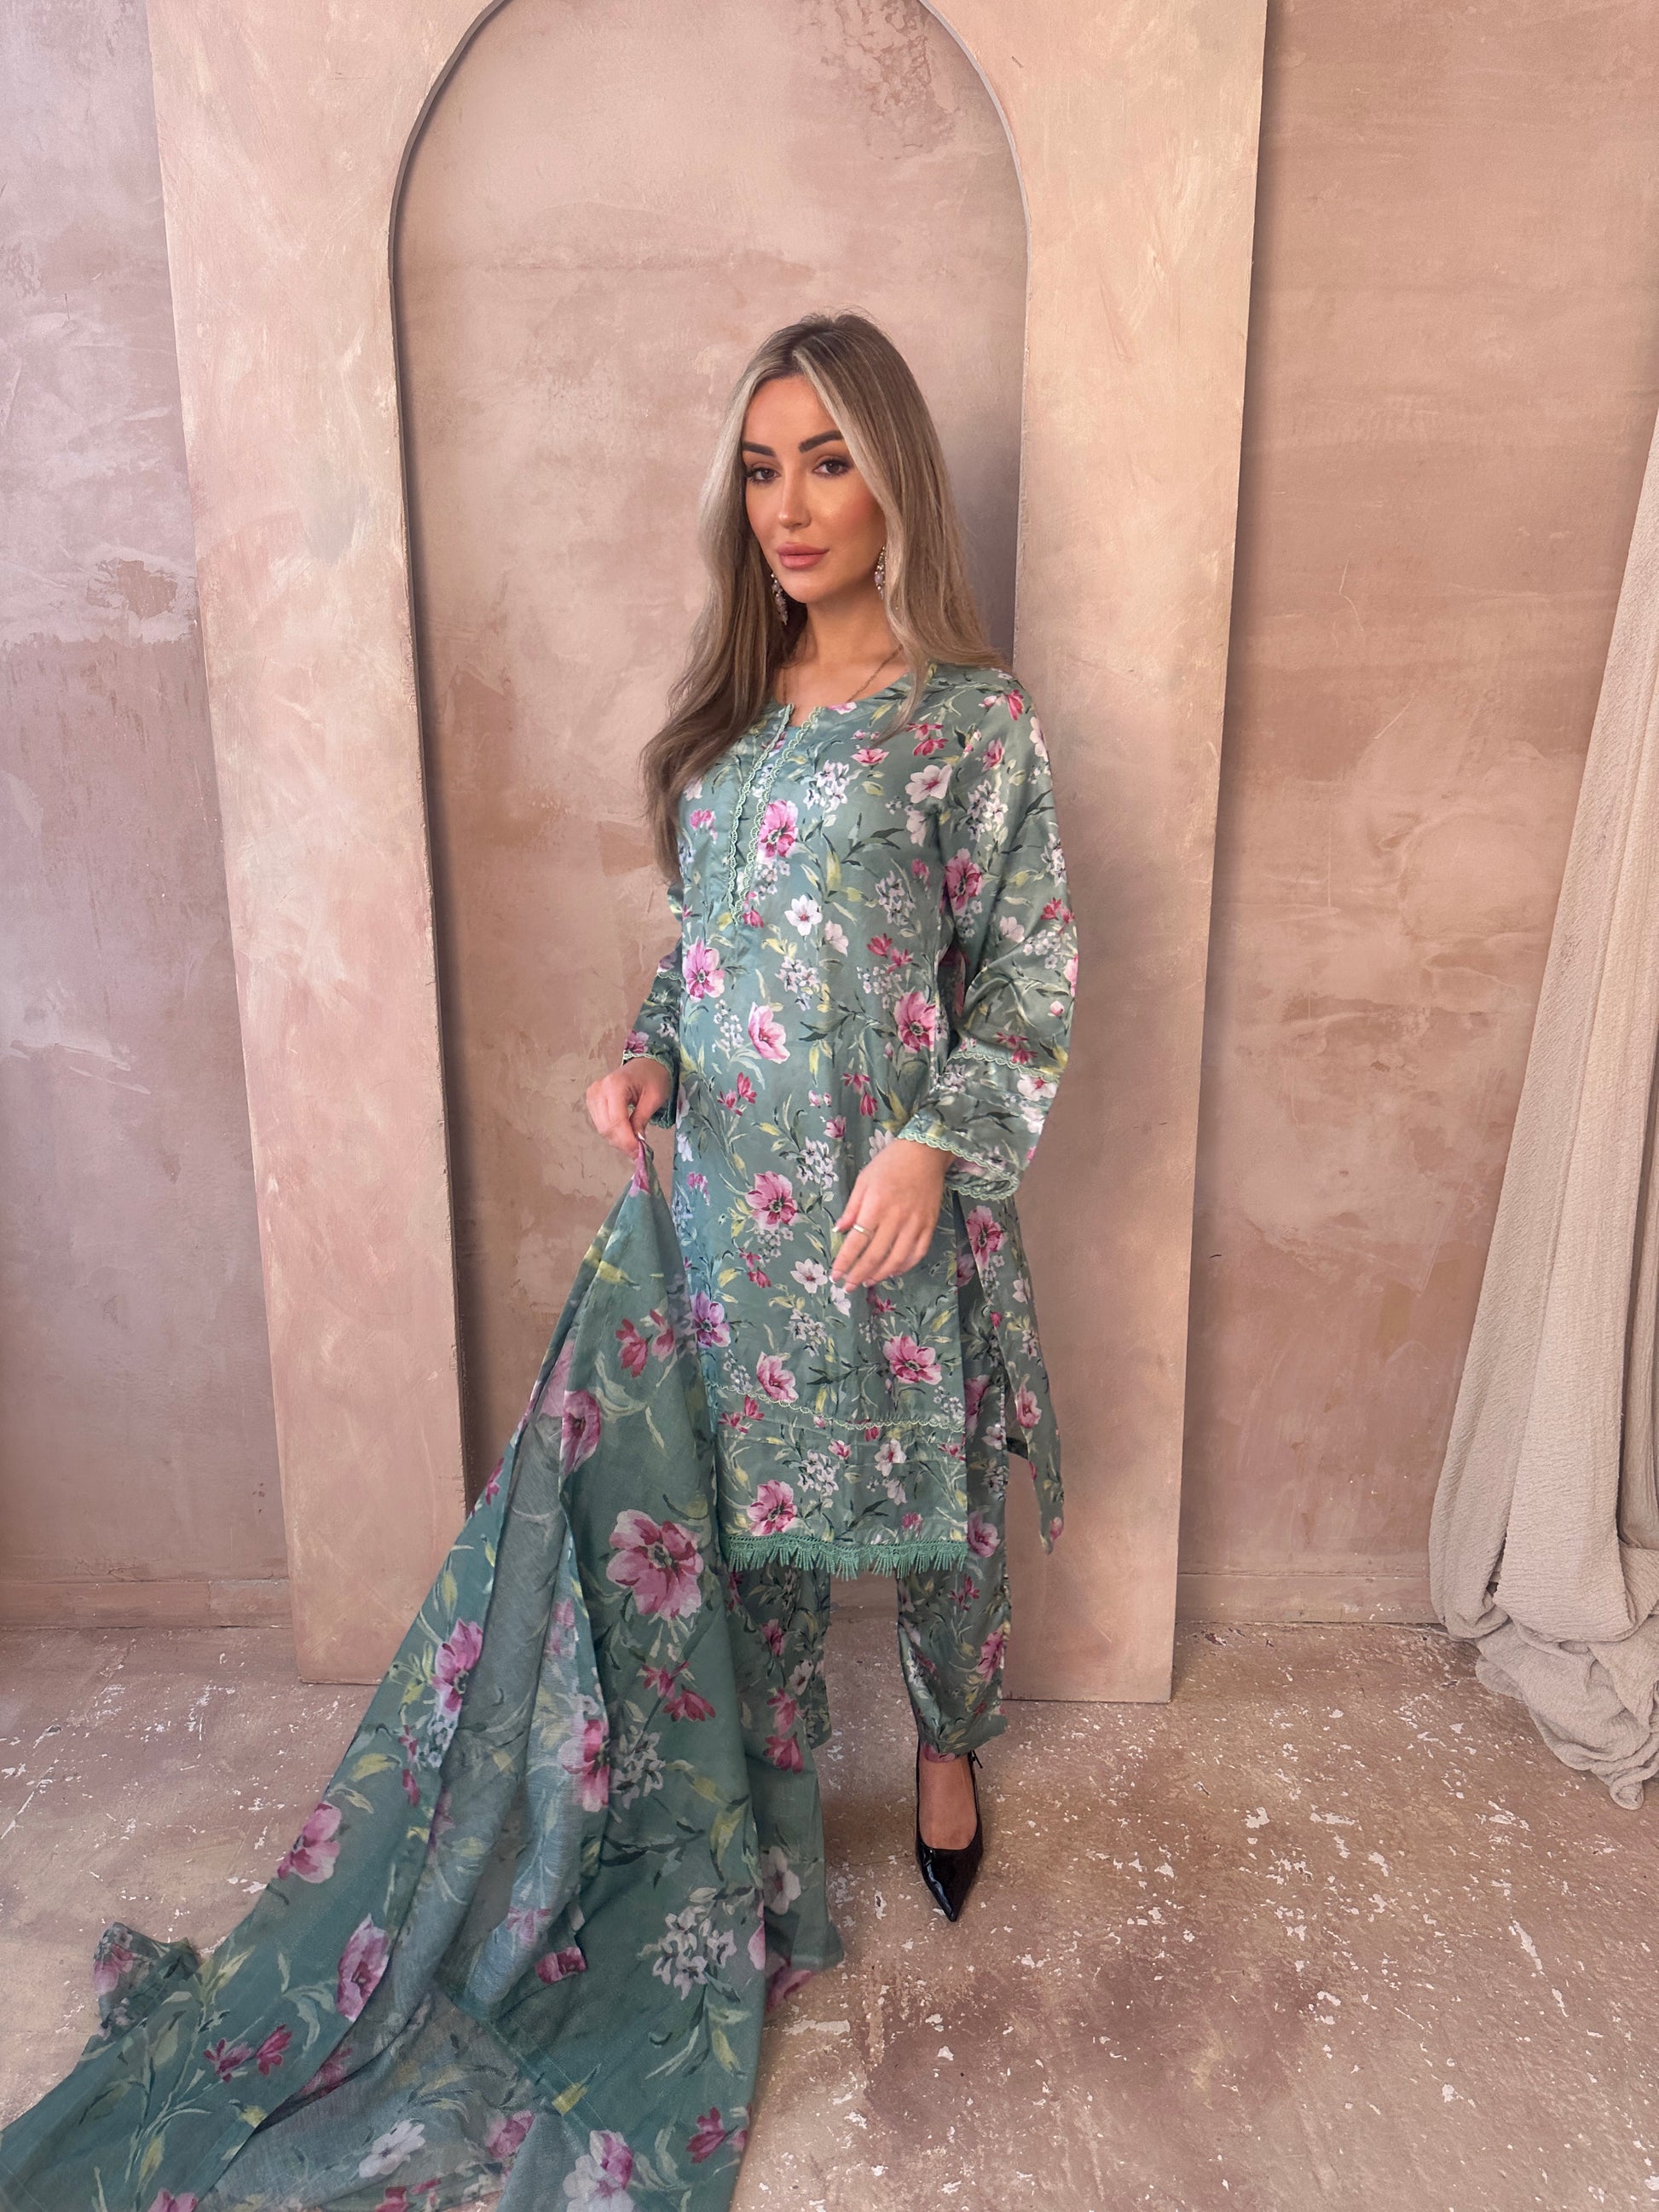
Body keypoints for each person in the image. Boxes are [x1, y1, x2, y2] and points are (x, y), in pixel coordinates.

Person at [585, 309, 1078, 1921]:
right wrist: (651, 1058)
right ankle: (776, 1791)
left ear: (892, 482)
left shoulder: (965, 718)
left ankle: (946, 1752)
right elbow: (704, 947)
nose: (787, 509)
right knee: (755, 1517)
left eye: (825, 464)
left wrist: (933, 1145)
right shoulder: (728, 717)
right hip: (740, 1199)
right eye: (758, 471)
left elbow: (1025, 971)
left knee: (938, 1497)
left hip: (894, 1183)